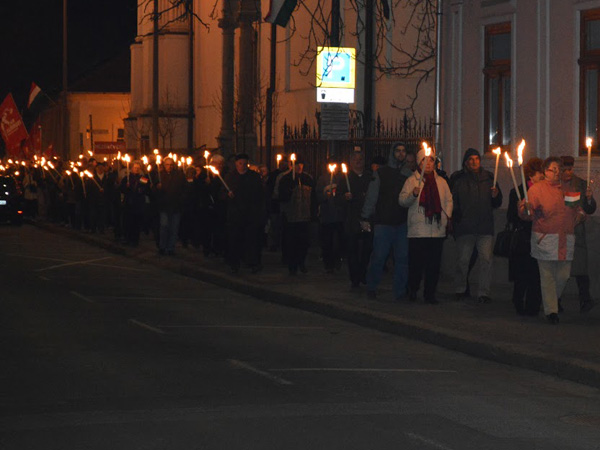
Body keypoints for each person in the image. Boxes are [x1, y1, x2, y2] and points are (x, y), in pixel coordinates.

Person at [519, 156, 586, 324]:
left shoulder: (568, 189)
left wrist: (579, 216)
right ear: (545, 172)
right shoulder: (537, 190)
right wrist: (525, 210)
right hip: (545, 239)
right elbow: (528, 214)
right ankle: (551, 312)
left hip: (565, 239)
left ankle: (551, 301)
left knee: (563, 275)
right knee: (547, 276)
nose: (556, 173)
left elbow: (577, 210)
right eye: (552, 170)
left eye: (559, 170)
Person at [399, 148, 453, 304]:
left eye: (431, 160)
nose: (428, 163)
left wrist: (446, 215)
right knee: (416, 264)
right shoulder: (411, 181)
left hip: (436, 231)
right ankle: (413, 290)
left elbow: (448, 200)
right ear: (419, 163)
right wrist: (413, 195)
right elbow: (402, 201)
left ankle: (430, 294)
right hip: (418, 231)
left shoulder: (441, 182)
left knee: (433, 266)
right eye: (424, 160)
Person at [360, 142, 412, 301]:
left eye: (403, 151)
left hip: (402, 222)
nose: (401, 154)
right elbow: (372, 196)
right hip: (384, 222)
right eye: (398, 151)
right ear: (392, 153)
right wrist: (365, 216)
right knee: (379, 256)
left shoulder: (409, 174)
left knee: (402, 258)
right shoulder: (381, 173)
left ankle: (400, 291)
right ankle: (371, 286)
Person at [450, 148, 502, 303]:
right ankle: (460, 288)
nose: (474, 162)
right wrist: (457, 218)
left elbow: (497, 203)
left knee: (486, 259)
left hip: (484, 226)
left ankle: (483, 293)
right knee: (463, 260)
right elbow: (452, 201)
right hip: (465, 227)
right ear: (466, 162)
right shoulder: (458, 179)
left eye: (476, 159)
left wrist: (496, 195)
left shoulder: (489, 178)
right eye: (471, 159)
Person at [506, 157, 544, 316]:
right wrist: (520, 211)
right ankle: (518, 301)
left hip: (540, 236)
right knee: (523, 273)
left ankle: (533, 305)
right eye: (539, 174)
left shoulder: (543, 191)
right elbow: (510, 216)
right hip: (523, 238)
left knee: (537, 273)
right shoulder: (517, 191)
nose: (542, 177)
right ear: (531, 175)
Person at [559, 156, 597, 313]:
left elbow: (589, 209)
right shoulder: (555, 185)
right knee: (561, 270)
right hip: (560, 232)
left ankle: (585, 299)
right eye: (565, 169)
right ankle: (556, 299)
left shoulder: (580, 184)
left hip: (576, 232)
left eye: (570, 169)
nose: (568, 172)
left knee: (581, 268)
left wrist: (589, 199)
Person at [223, 153, 266, 273]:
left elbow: (259, 194)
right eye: (240, 163)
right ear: (236, 164)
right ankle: (235, 263)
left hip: (250, 214)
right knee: (235, 239)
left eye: (244, 163)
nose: (242, 166)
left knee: (251, 240)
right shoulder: (230, 177)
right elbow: (221, 194)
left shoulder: (253, 177)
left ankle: (252, 262)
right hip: (235, 215)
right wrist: (228, 195)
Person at [337, 151, 372, 288]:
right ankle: (354, 277)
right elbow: (338, 198)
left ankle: (363, 273)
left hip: (367, 218)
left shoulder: (370, 177)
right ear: (351, 162)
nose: (358, 162)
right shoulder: (345, 178)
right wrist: (344, 197)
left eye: (360, 159)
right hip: (351, 219)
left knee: (367, 249)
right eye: (355, 159)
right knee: (352, 250)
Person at [279, 156, 316, 275]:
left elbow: (313, 197)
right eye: (297, 164)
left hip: (305, 215)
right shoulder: (285, 179)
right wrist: (290, 190)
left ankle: (301, 262)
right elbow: (281, 197)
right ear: (292, 165)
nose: (299, 166)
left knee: (303, 241)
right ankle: (292, 265)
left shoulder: (308, 178)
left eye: (301, 164)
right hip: (291, 216)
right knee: (291, 241)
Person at [316, 160, 344, 273]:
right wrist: (324, 197)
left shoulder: (342, 178)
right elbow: (318, 196)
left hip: (339, 215)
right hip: (327, 215)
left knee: (339, 240)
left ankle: (337, 260)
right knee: (327, 240)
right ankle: (328, 263)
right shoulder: (322, 179)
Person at [155, 157, 186, 255]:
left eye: (171, 165)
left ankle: (171, 248)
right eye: (167, 165)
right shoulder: (160, 175)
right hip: (164, 206)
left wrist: (181, 200)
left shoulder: (179, 175)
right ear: (164, 165)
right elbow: (153, 190)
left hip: (175, 206)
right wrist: (157, 188)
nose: (169, 167)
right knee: (164, 227)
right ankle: (162, 246)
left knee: (174, 228)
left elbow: (184, 189)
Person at [120, 161, 150, 247]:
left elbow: (145, 188)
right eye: (135, 168)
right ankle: (128, 238)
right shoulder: (127, 178)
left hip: (138, 204)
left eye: (138, 168)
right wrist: (126, 186)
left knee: (136, 223)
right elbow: (122, 189)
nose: (136, 169)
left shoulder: (143, 178)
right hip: (129, 203)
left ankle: (135, 240)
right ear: (131, 168)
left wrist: (142, 190)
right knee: (128, 222)